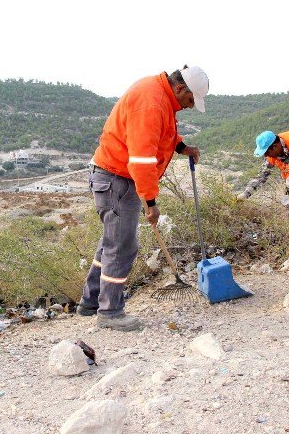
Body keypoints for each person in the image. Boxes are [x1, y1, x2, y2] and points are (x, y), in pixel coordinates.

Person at [76, 65, 208, 331]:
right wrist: (150, 202)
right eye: (191, 100)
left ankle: (90, 302)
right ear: (180, 88)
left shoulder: (160, 95)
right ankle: (110, 312)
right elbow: (141, 159)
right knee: (122, 246)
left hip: (116, 177)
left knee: (111, 242)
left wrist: (182, 146)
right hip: (117, 179)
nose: (191, 106)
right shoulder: (151, 101)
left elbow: (162, 133)